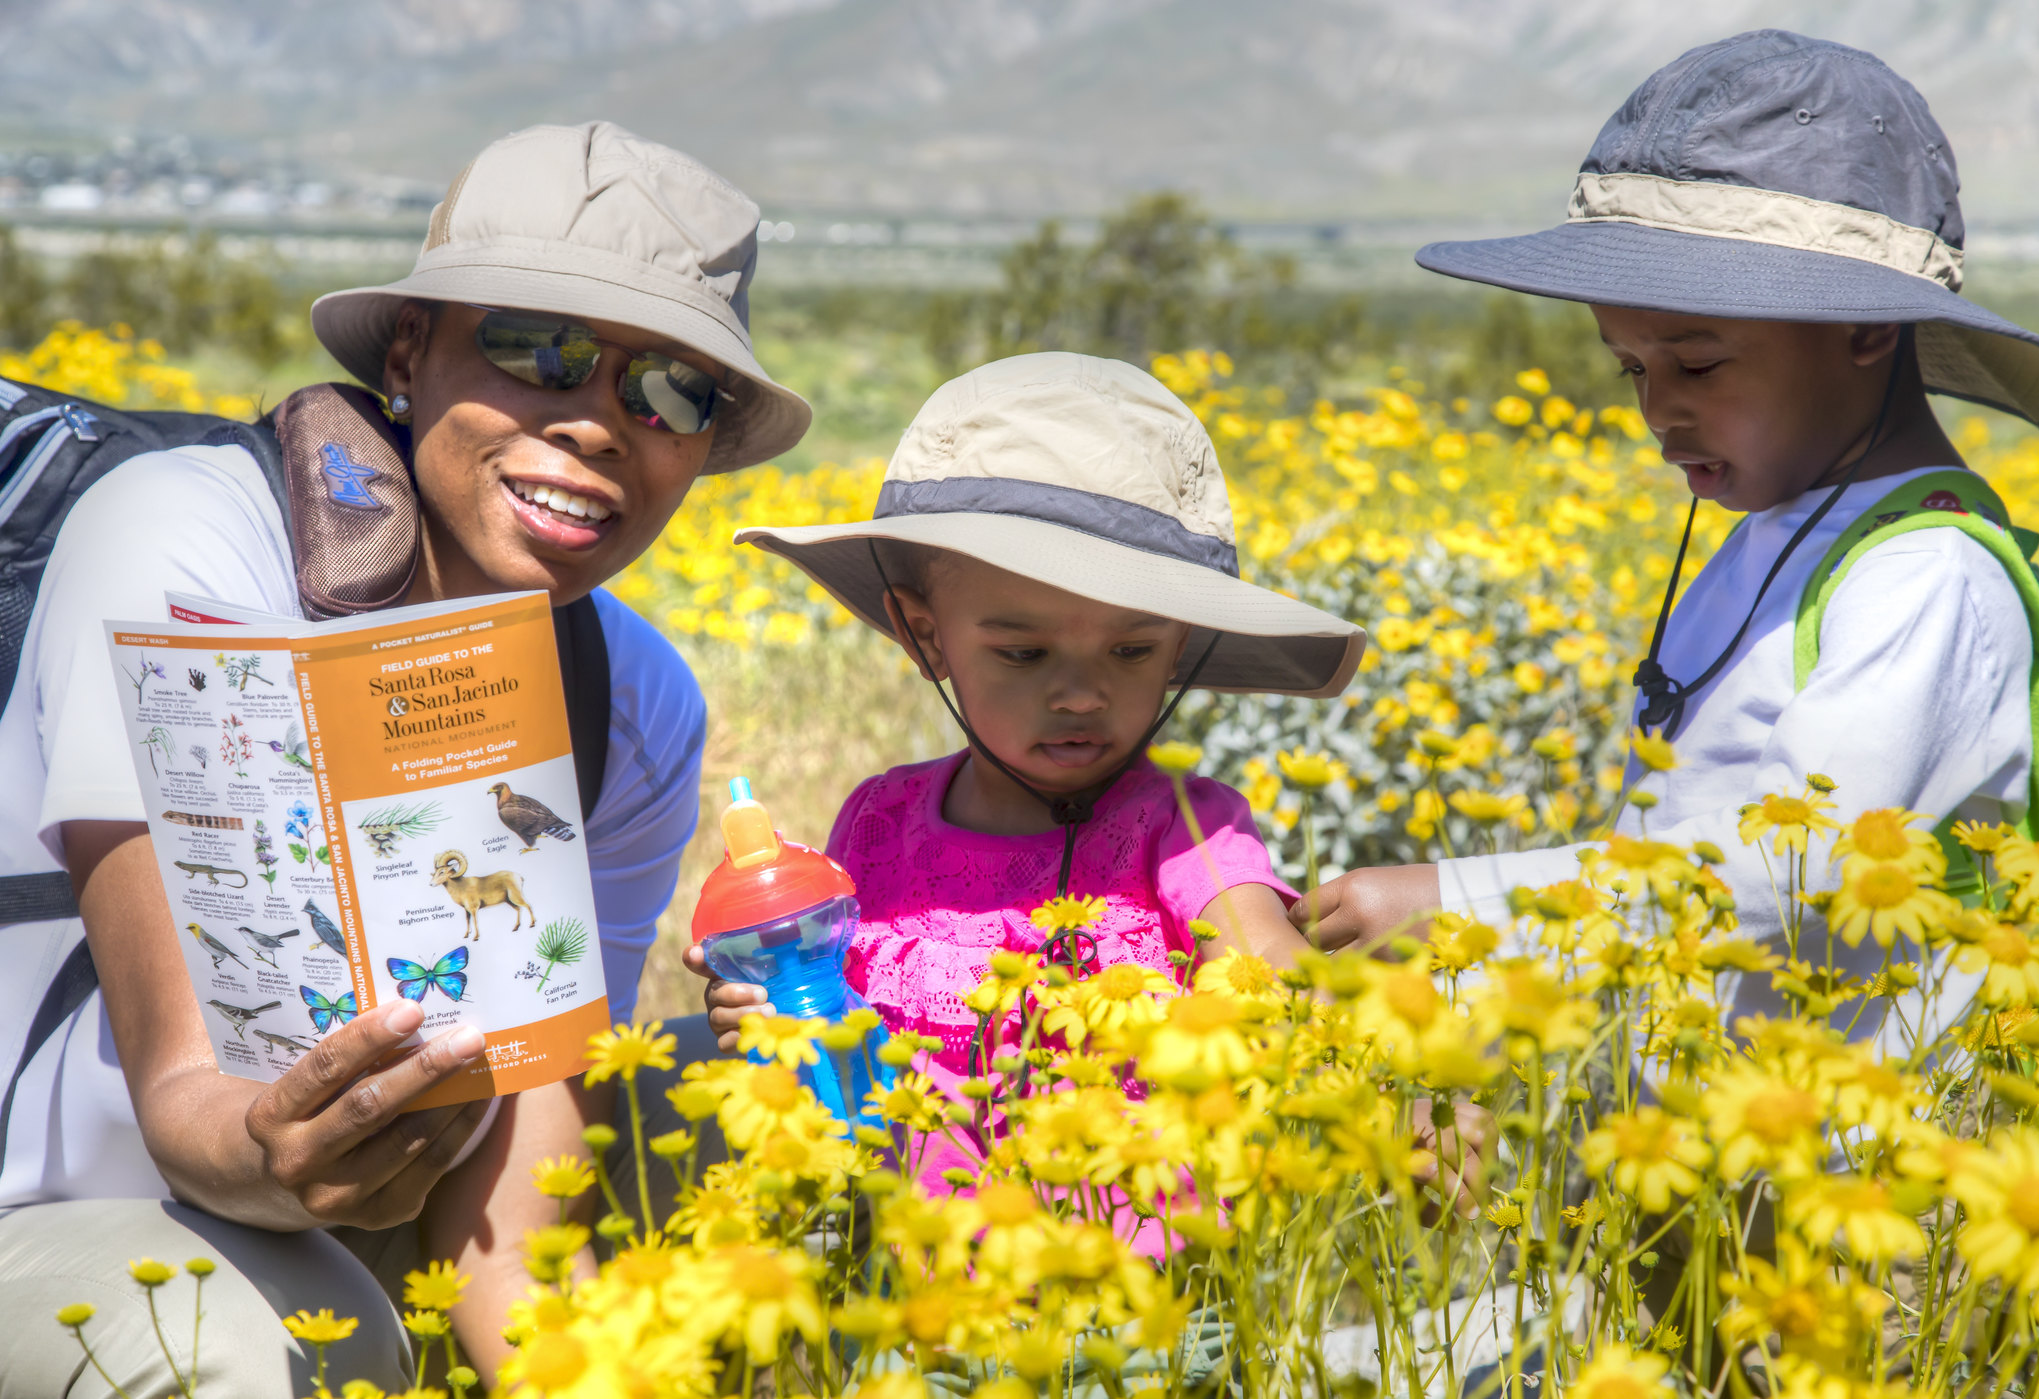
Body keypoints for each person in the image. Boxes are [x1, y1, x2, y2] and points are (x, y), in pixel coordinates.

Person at [0, 122, 809, 1392]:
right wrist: (278, 1164)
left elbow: (513, 1224)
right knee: (265, 1343)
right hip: (59, 1220)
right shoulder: (195, 539)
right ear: (408, 351)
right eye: (541, 349)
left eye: (670, 391)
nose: (600, 423)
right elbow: (182, 1099)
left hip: (343, 1207)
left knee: (782, 1118)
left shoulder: (631, 702)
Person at [1297, 31, 2039, 1046]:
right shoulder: (1782, 533)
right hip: (1701, 1138)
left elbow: (1798, 871)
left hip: (1843, 1158)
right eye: (1630, 370)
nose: (1658, 410)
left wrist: (1463, 899)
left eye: (1695, 365)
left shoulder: (1926, 575)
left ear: (1864, 330)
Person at [685, 351, 1490, 1219]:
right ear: (925, 636)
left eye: (1132, 650)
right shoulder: (875, 824)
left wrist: (1389, 1102)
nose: (1080, 693)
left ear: (1180, 647)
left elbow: (1273, 980)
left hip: (1134, 1314)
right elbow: (832, 1030)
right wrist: (764, 1016)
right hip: (909, 1297)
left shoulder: (1187, 828)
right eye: (1024, 653)